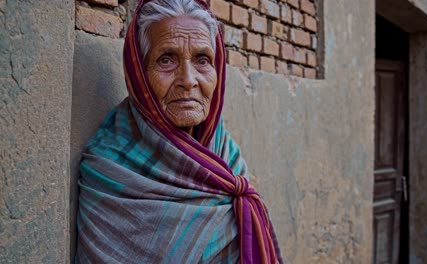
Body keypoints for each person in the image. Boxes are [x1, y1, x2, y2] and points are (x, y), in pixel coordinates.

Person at [75, 0, 283, 263]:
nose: (188, 80)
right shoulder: (108, 168)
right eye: (166, 60)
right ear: (139, 73)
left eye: (202, 60)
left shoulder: (225, 155)